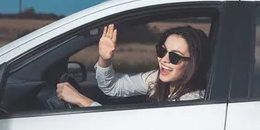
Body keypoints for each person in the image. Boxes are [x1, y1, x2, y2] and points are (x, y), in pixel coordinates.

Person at [56, 24, 211, 107]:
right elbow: (113, 87)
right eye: (162, 50)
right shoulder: (156, 78)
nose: (164, 59)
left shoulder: (191, 101)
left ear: (194, 62)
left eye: (174, 57)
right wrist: (105, 59)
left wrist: (80, 100)